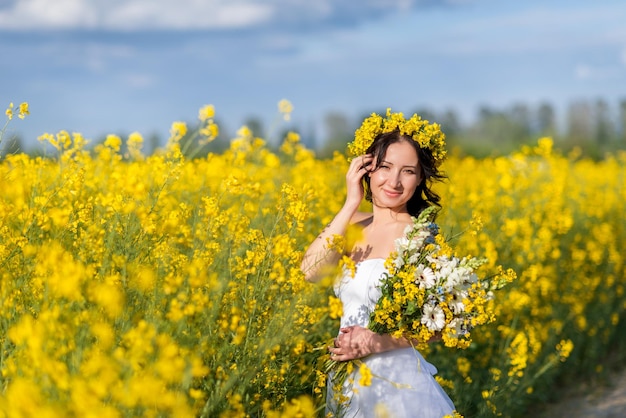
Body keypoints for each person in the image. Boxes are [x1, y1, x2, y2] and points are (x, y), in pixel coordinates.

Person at [301, 114, 456, 418]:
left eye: (408, 171)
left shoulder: (421, 236)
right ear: (366, 167)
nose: (394, 182)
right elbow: (311, 271)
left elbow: (442, 325)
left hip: (399, 391)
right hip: (347, 382)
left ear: (420, 178)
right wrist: (350, 203)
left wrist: (374, 342)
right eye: (385, 167)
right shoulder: (350, 223)